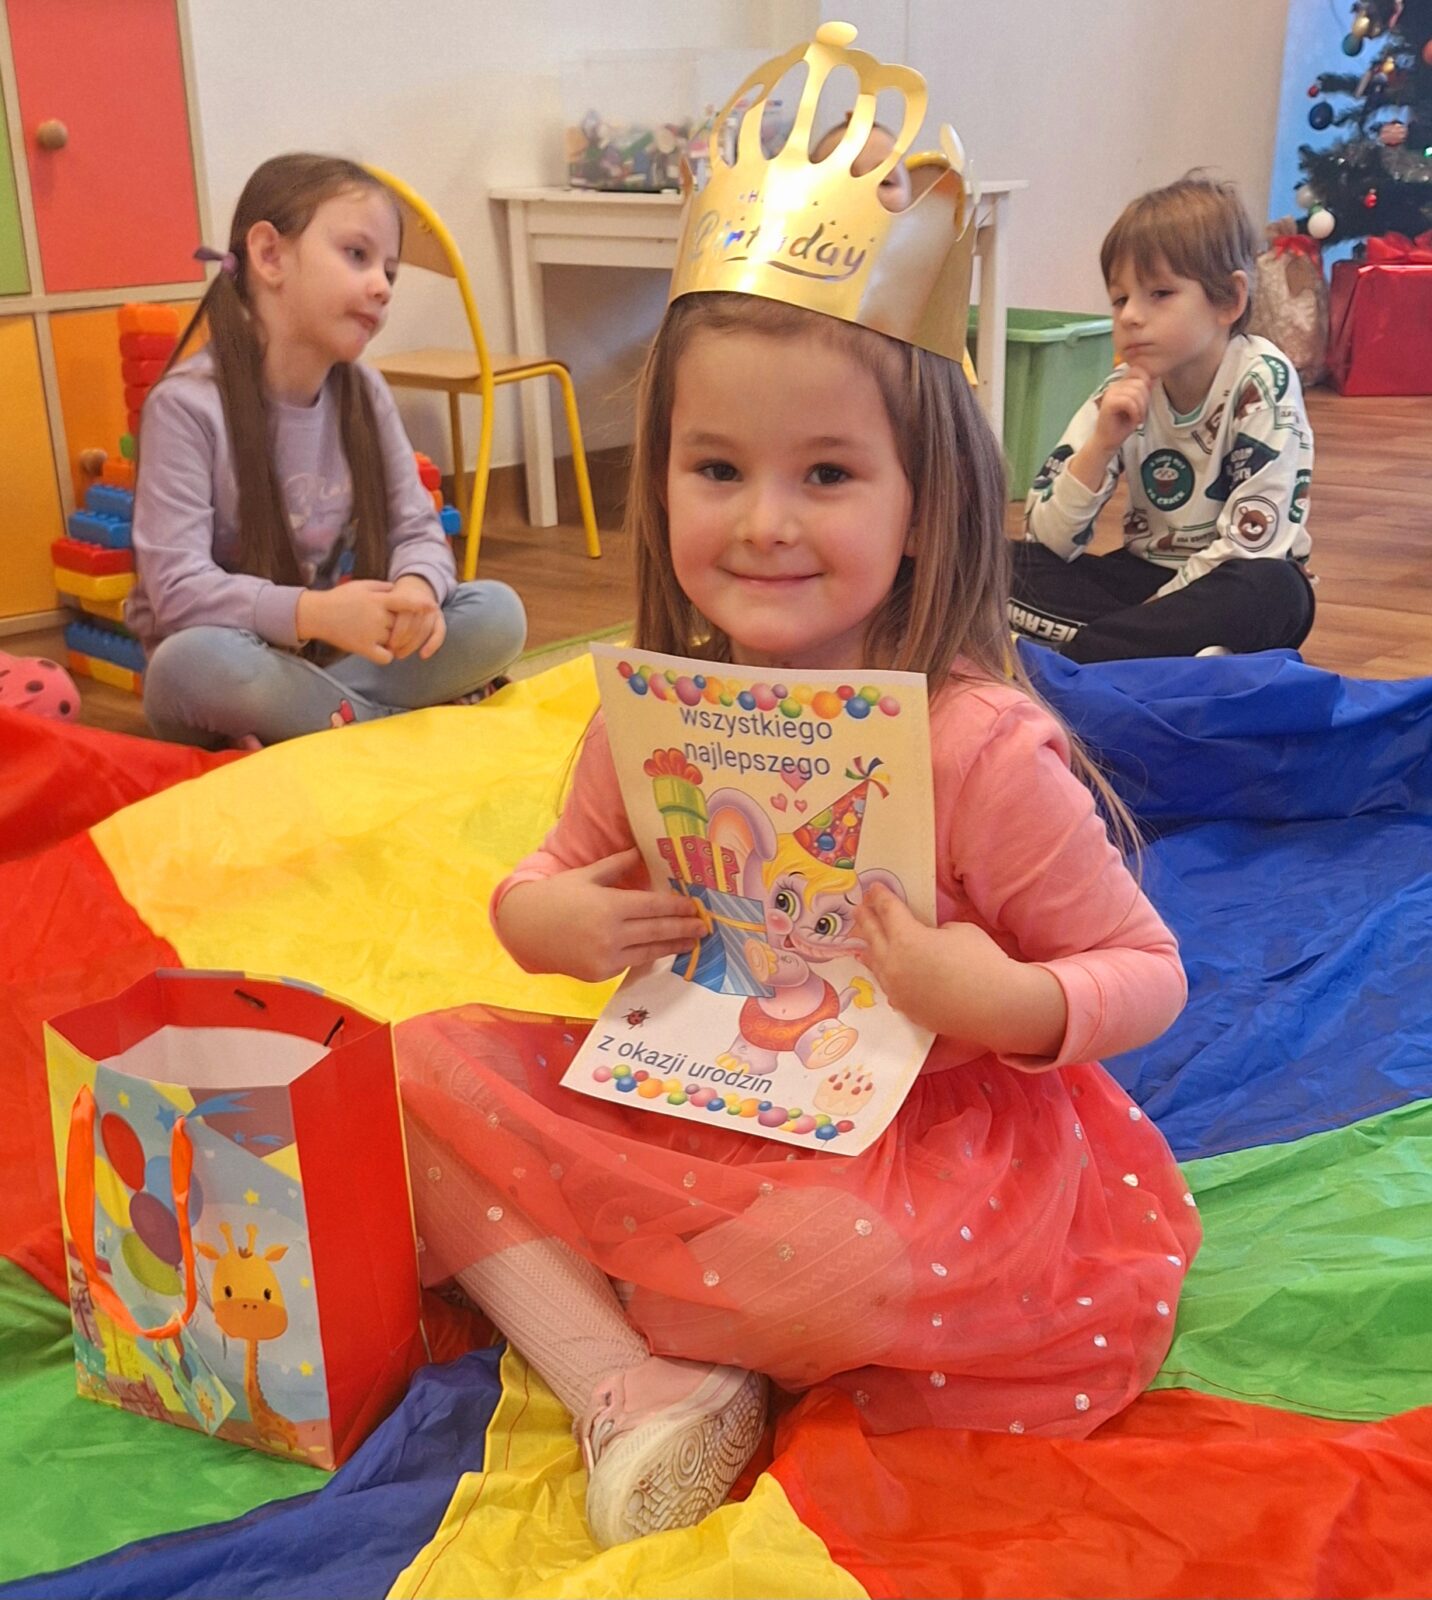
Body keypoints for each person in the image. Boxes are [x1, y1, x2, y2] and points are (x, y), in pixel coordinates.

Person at [397, 25, 1198, 1551]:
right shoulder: (650, 717)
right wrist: (551, 921)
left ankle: (650, 1326)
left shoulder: (976, 748)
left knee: (827, 1268)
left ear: (923, 502)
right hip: (688, 1105)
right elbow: (540, 886)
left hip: (915, 1153)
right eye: (718, 470)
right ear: (662, 480)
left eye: (826, 474)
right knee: (412, 1068)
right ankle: (631, 1377)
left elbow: (1146, 969)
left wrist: (1006, 1000)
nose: (764, 522)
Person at [128, 153, 526, 748]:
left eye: (390, 271)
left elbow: (416, 528)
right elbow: (178, 590)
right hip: (232, 659)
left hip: (331, 659)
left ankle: (327, 721)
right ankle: (378, 726)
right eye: (357, 255)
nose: (382, 287)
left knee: (497, 613)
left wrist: (417, 589)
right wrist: (313, 613)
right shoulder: (187, 406)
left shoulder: (364, 391)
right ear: (269, 255)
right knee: (186, 668)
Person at [1011, 173, 1316, 662]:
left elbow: (1253, 545)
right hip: (1145, 580)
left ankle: (1083, 653)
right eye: (1120, 299)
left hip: (1231, 583)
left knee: (1274, 589)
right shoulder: (1121, 389)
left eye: (1159, 293)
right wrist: (1101, 445)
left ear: (1229, 300)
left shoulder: (1261, 380)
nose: (1130, 316)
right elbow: (1046, 541)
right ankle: (1140, 655)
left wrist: (1155, 615)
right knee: (1004, 565)